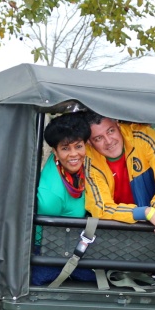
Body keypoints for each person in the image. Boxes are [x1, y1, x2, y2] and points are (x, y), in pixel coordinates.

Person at [82, 111, 155, 234]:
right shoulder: (88, 159)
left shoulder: (141, 136)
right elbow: (101, 208)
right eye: (98, 138)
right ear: (89, 142)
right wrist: (145, 213)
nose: (108, 141)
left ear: (118, 125)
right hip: (116, 228)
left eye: (111, 131)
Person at [31, 113, 96, 286]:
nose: (74, 154)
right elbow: (47, 239)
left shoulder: (84, 167)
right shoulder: (52, 194)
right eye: (66, 148)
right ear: (55, 152)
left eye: (78, 146)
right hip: (51, 250)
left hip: (75, 241)